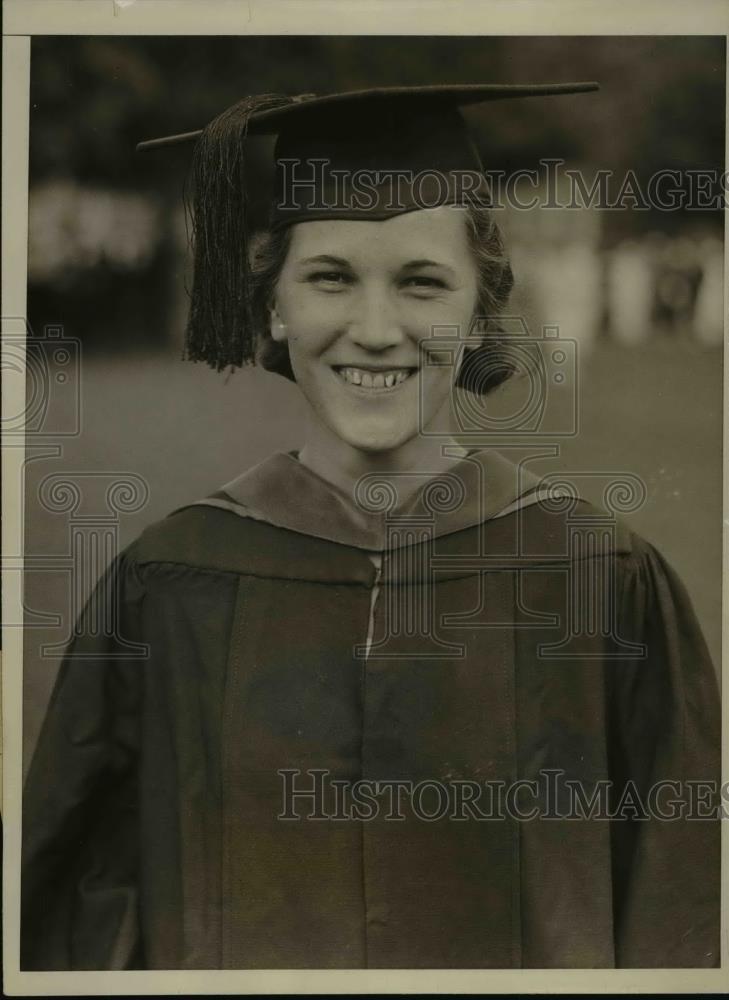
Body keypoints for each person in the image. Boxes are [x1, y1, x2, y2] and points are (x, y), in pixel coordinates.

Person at [21, 83, 720, 971]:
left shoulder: (599, 581)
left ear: (478, 314)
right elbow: (74, 917)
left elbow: (679, 908)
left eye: (423, 283)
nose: (376, 329)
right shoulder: (168, 584)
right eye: (330, 278)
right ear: (274, 306)